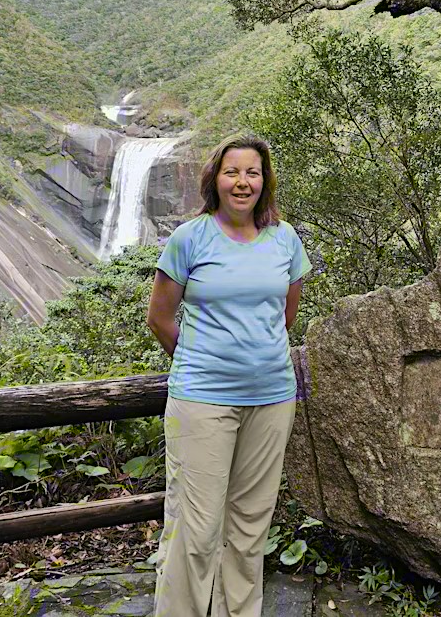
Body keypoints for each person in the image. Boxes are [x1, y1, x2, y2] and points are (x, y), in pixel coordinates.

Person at [146, 132, 311, 617]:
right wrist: (202, 360)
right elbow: (160, 318)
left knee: (250, 526)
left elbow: (284, 316)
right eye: (232, 171)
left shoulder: (285, 238)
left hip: (272, 398)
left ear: (265, 181)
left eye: (252, 172)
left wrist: (252, 355)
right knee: (194, 529)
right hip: (202, 399)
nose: (243, 182)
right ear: (214, 179)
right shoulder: (190, 238)